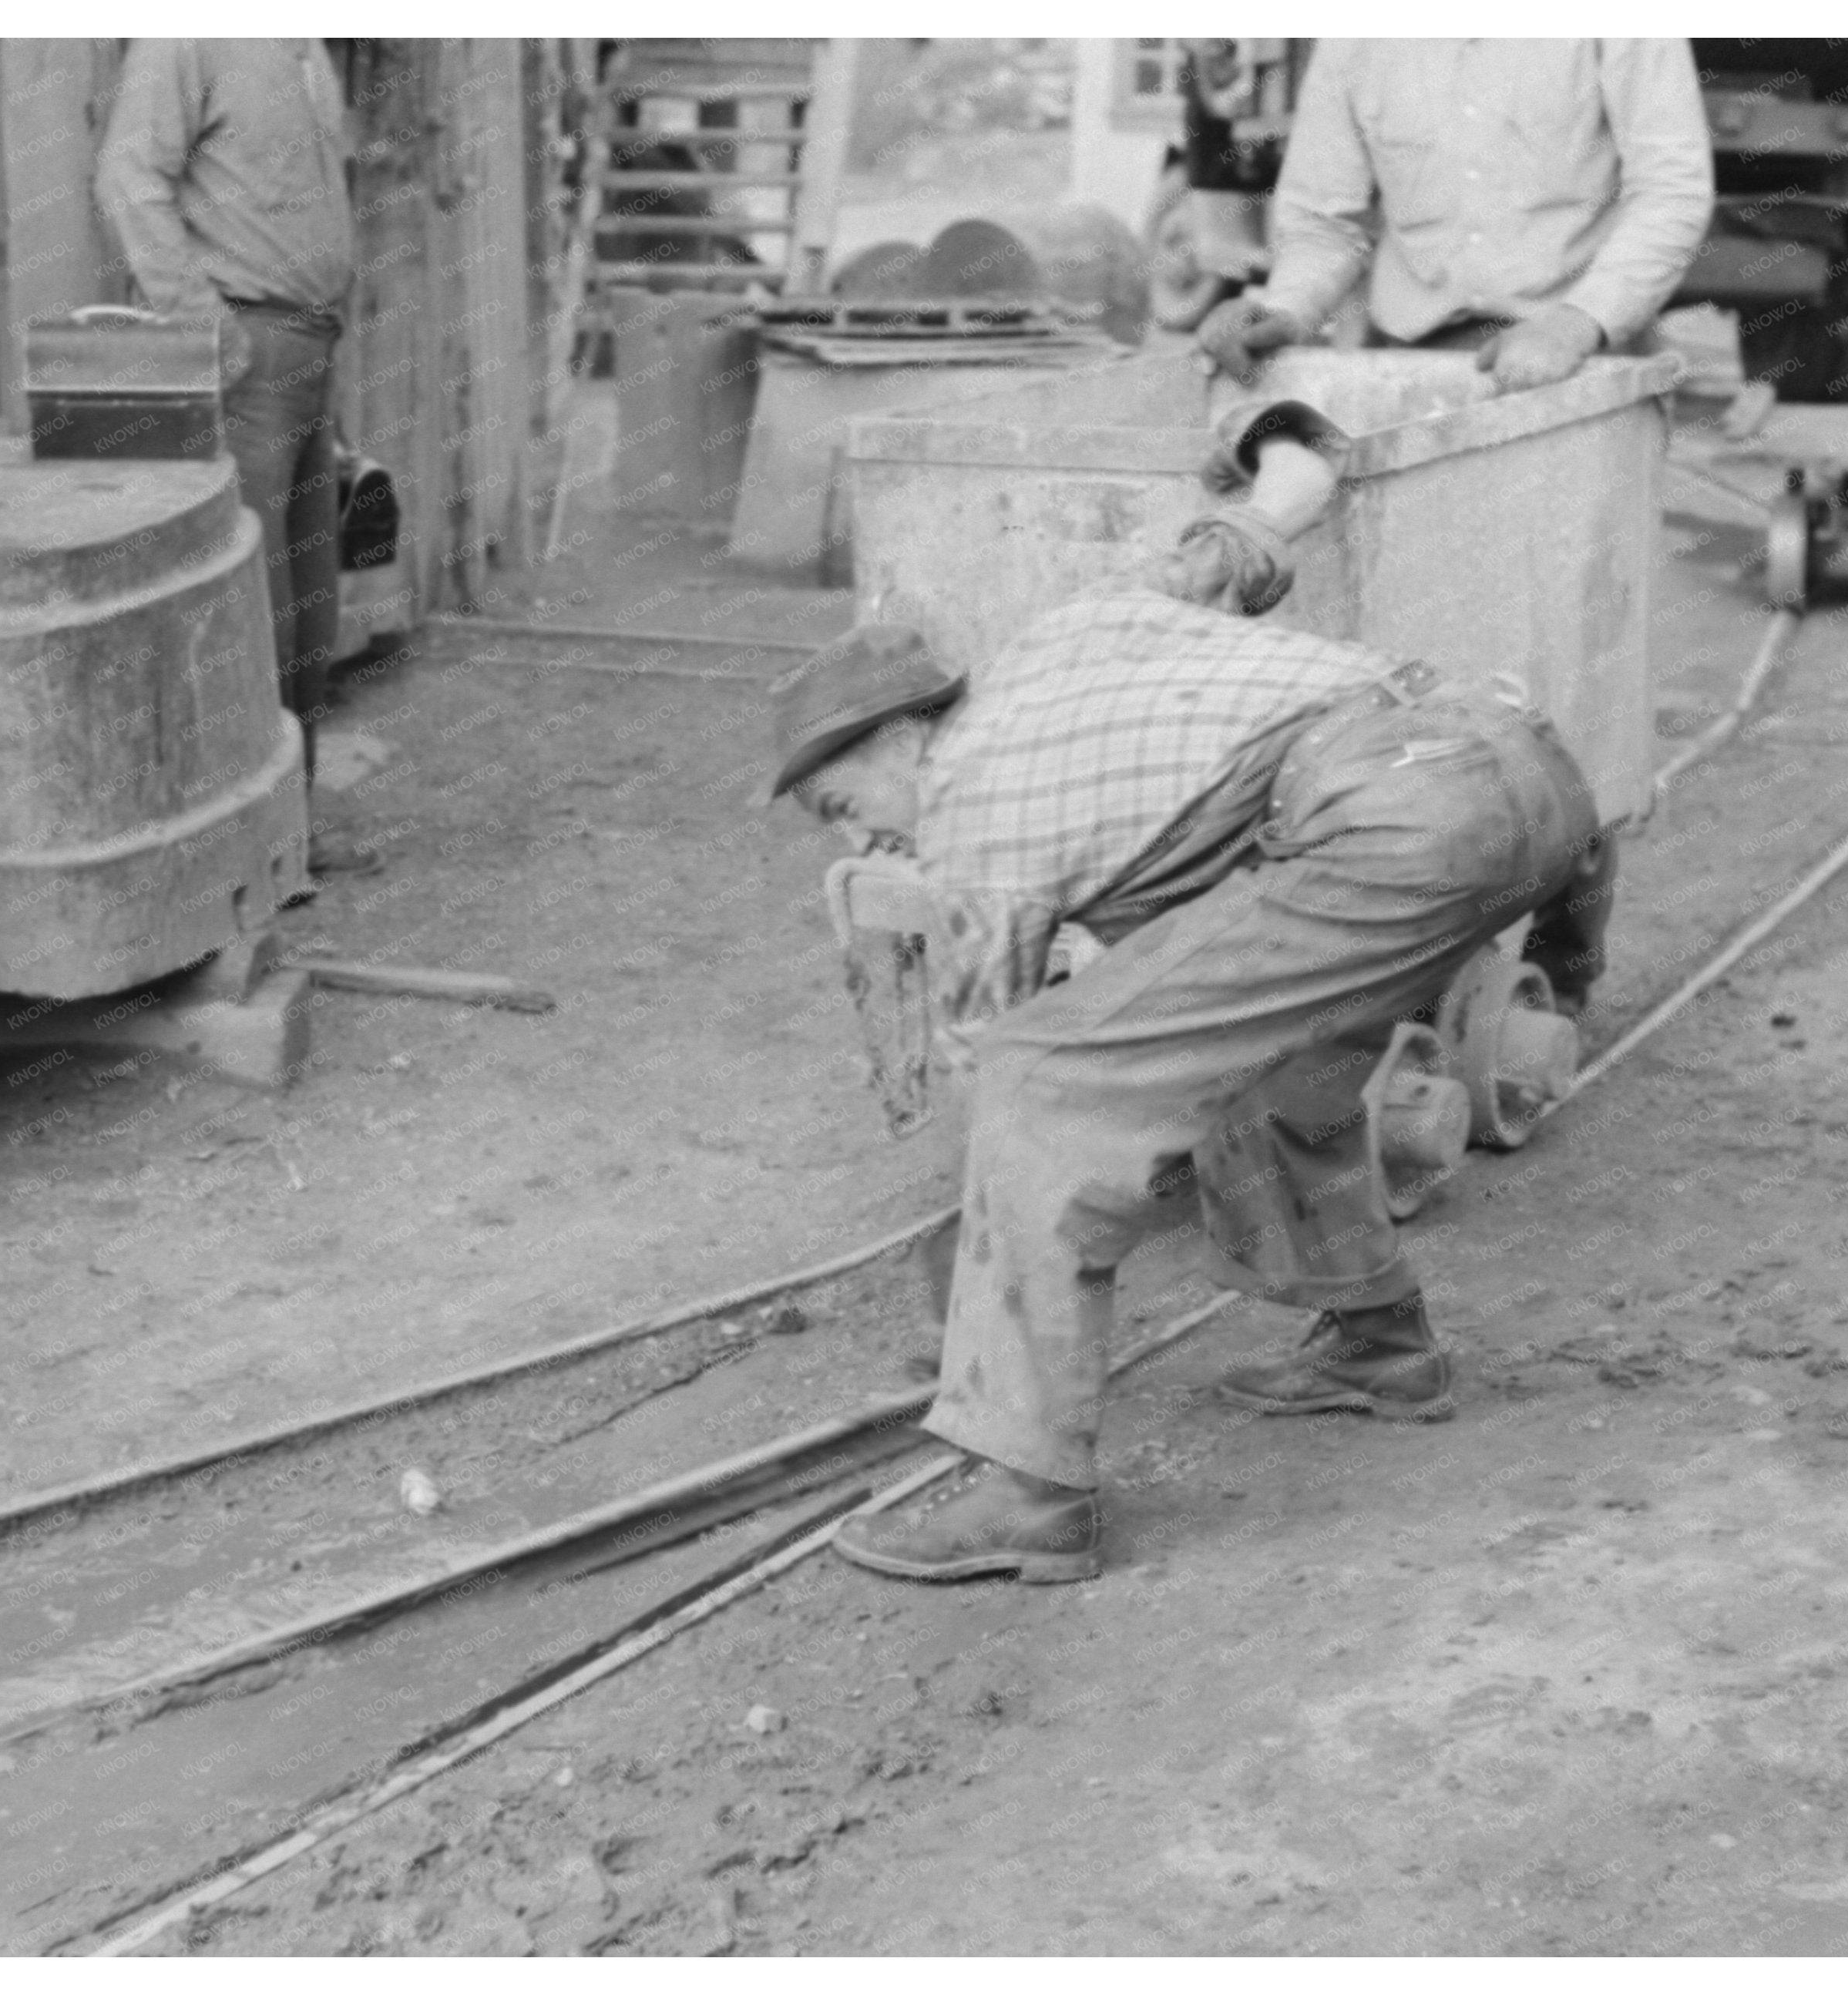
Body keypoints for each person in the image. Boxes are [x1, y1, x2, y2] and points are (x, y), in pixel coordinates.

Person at [768, 419, 1615, 1584]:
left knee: (1041, 1080)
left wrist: (973, 1300)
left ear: (905, 734)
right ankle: (1377, 1345)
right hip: (1523, 769)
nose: (859, 832)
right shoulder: (1071, 632)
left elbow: (1000, 1060)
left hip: (1390, 821)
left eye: (840, 802)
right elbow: (1233, 551)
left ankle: (1029, 1493)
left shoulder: (972, 810)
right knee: (1263, 1058)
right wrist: (1283, 475)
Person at [97, 38, 375, 876]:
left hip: (308, 350)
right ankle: (250, 857)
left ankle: (288, 830)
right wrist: (204, 324)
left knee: (308, 608)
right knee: (257, 608)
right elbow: (127, 176)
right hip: (248, 353)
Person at [1197, 39, 1712, 392]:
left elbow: (1671, 190)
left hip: (1585, 371)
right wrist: (1286, 310)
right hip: (1411, 366)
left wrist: (1577, 324)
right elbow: (1324, 221)